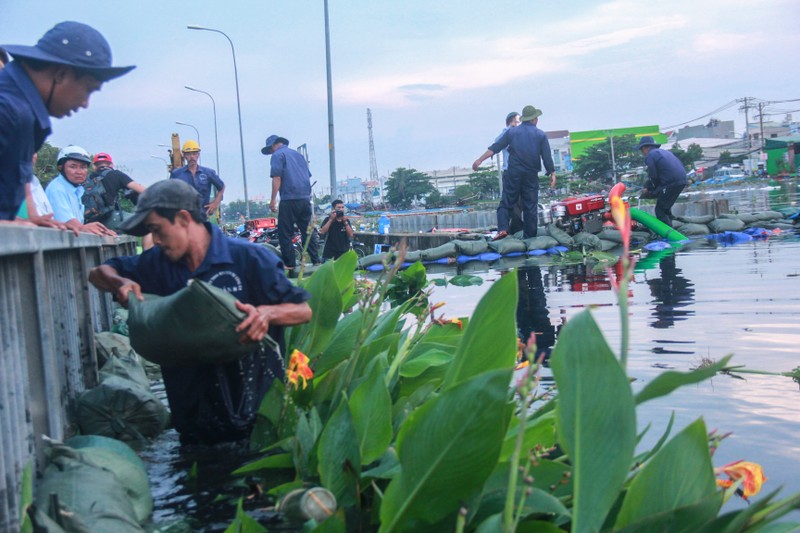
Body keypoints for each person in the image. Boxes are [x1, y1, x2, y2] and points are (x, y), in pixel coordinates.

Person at [88, 179, 312, 445]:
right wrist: (121, 283)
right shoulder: (157, 264)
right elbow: (99, 272)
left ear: (183, 218)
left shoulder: (249, 258)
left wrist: (266, 314)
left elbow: (302, 309)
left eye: (157, 230)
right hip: (193, 421)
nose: (155, 240)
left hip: (258, 419)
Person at [0, 21, 134, 223]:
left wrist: (27, 221)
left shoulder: (22, 114)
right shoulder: (8, 112)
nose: (85, 103)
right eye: (88, 89)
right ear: (61, 75)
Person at [473, 105, 556, 240]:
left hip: (513, 173)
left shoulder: (512, 132)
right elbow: (546, 157)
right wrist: (552, 173)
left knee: (506, 202)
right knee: (530, 206)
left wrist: (479, 160)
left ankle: (503, 229)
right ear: (534, 119)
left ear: (524, 119)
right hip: (531, 174)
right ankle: (530, 238)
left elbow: (496, 147)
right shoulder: (540, 135)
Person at [261, 134, 321, 270]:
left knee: (285, 233)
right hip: (304, 199)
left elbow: (277, 178)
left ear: (273, 145)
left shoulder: (277, 155)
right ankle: (316, 260)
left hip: (289, 199)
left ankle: (290, 264)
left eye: (270, 150)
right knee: (307, 231)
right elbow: (307, 176)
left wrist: (272, 201)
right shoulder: (298, 156)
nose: (270, 153)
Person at [45, 145, 116, 236]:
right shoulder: (57, 189)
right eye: (73, 167)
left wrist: (103, 231)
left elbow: (77, 224)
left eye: (83, 167)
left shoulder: (77, 190)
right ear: (60, 167)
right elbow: (66, 220)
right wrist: (83, 227)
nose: (79, 172)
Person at [85, 151, 146, 230]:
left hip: (88, 221)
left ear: (94, 166)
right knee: (149, 224)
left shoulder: (87, 178)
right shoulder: (116, 174)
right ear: (111, 165)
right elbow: (142, 190)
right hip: (108, 218)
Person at [636, 136, 688, 227]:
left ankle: (668, 236)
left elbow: (653, 176)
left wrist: (649, 189)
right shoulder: (664, 152)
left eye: (641, 150)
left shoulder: (650, 156)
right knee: (665, 208)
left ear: (644, 148)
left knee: (659, 211)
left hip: (671, 183)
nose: (642, 153)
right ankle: (673, 226)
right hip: (682, 180)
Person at [169, 140, 224, 220]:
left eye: (194, 153)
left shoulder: (208, 173)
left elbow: (221, 187)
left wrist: (215, 204)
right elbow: (169, 193)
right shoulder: (176, 174)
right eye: (188, 154)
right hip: (183, 217)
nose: (192, 157)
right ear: (184, 155)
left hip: (202, 216)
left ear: (198, 155)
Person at [496, 111, 524, 234]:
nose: (519, 124)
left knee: (521, 202)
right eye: (517, 121)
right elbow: (496, 144)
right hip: (510, 172)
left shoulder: (521, 134)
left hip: (522, 173)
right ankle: (505, 229)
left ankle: (515, 229)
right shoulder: (506, 134)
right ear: (511, 122)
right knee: (508, 202)